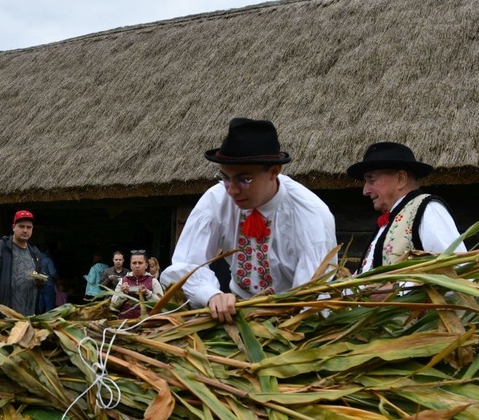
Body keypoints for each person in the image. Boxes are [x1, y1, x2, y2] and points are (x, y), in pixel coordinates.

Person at [160, 117, 337, 324]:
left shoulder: (311, 214)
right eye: (226, 178)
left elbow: (311, 296)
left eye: (244, 180)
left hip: (289, 319)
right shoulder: (216, 199)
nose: (232, 190)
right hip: (235, 314)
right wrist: (211, 295)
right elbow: (185, 264)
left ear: (274, 172)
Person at [347, 141, 466, 273]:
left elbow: (458, 271)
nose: (365, 191)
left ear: (401, 179)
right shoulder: (390, 222)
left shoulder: (428, 211)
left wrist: (397, 287)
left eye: (371, 180)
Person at [0, 210, 44, 319]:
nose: (25, 230)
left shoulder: (34, 252)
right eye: (21, 226)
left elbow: (42, 276)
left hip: (29, 314)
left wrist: (40, 280)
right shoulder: (2, 247)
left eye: (29, 227)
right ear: (13, 227)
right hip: (5, 312)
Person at [111, 250, 165, 318]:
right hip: (124, 322)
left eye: (140, 263)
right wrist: (123, 294)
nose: (137, 266)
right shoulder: (123, 281)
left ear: (146, 265)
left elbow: (162, 305)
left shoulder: (153, 281)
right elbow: (113, 305)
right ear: (130, 265)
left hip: (147, 323)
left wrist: (148, 294)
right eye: (134, 263)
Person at [37, 245, 58, 313]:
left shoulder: (37, 260)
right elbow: (52, 273)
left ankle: (40, 318)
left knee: (41, 303)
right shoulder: (48, 260)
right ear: (47, 251)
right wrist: (56, 277)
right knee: (49, 305)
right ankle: (48, 320)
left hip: (40, 284)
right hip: (48, 284)